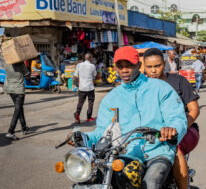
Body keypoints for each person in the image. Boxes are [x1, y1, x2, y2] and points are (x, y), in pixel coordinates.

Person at [69, 46, 187, 189]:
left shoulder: (160, 88)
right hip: (127, 153)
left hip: (158, 151)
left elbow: (177, 118)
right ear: (115, 68)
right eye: (120, 66)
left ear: (138, 65)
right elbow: (103, 131)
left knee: (151, 182)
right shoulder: (111, 99)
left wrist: (172, 129)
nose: (124, 70)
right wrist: (82, 137)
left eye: (129, 65)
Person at [143, 48, 200, 189]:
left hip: (186, 130)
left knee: (174, 149)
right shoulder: (141, 85)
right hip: (152, 131)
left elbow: (194, 109)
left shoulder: (178, 81)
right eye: (149, 67)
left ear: (164, 64)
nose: (153, 70)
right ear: (143, 66)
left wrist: (179, 128)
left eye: (157, 66)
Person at [4, 62, 30, 140]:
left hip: (10, 89)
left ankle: (24, 128)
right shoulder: (20, 63)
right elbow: (27, 76)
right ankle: (10, 132)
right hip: (18, 89)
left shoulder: (7, 63)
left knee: (19, 108)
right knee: (17, 110)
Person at [73, 53, 97, 124]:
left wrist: (73, 84)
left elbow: (75, 75)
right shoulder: (92, 66)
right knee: (91, 102)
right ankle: (89, 117)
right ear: (90, 58)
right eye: (91, 58)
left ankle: (77, 114)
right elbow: (94, 75)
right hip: (90, 87)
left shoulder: (79, 65)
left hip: (82, 87)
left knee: (80, 102)